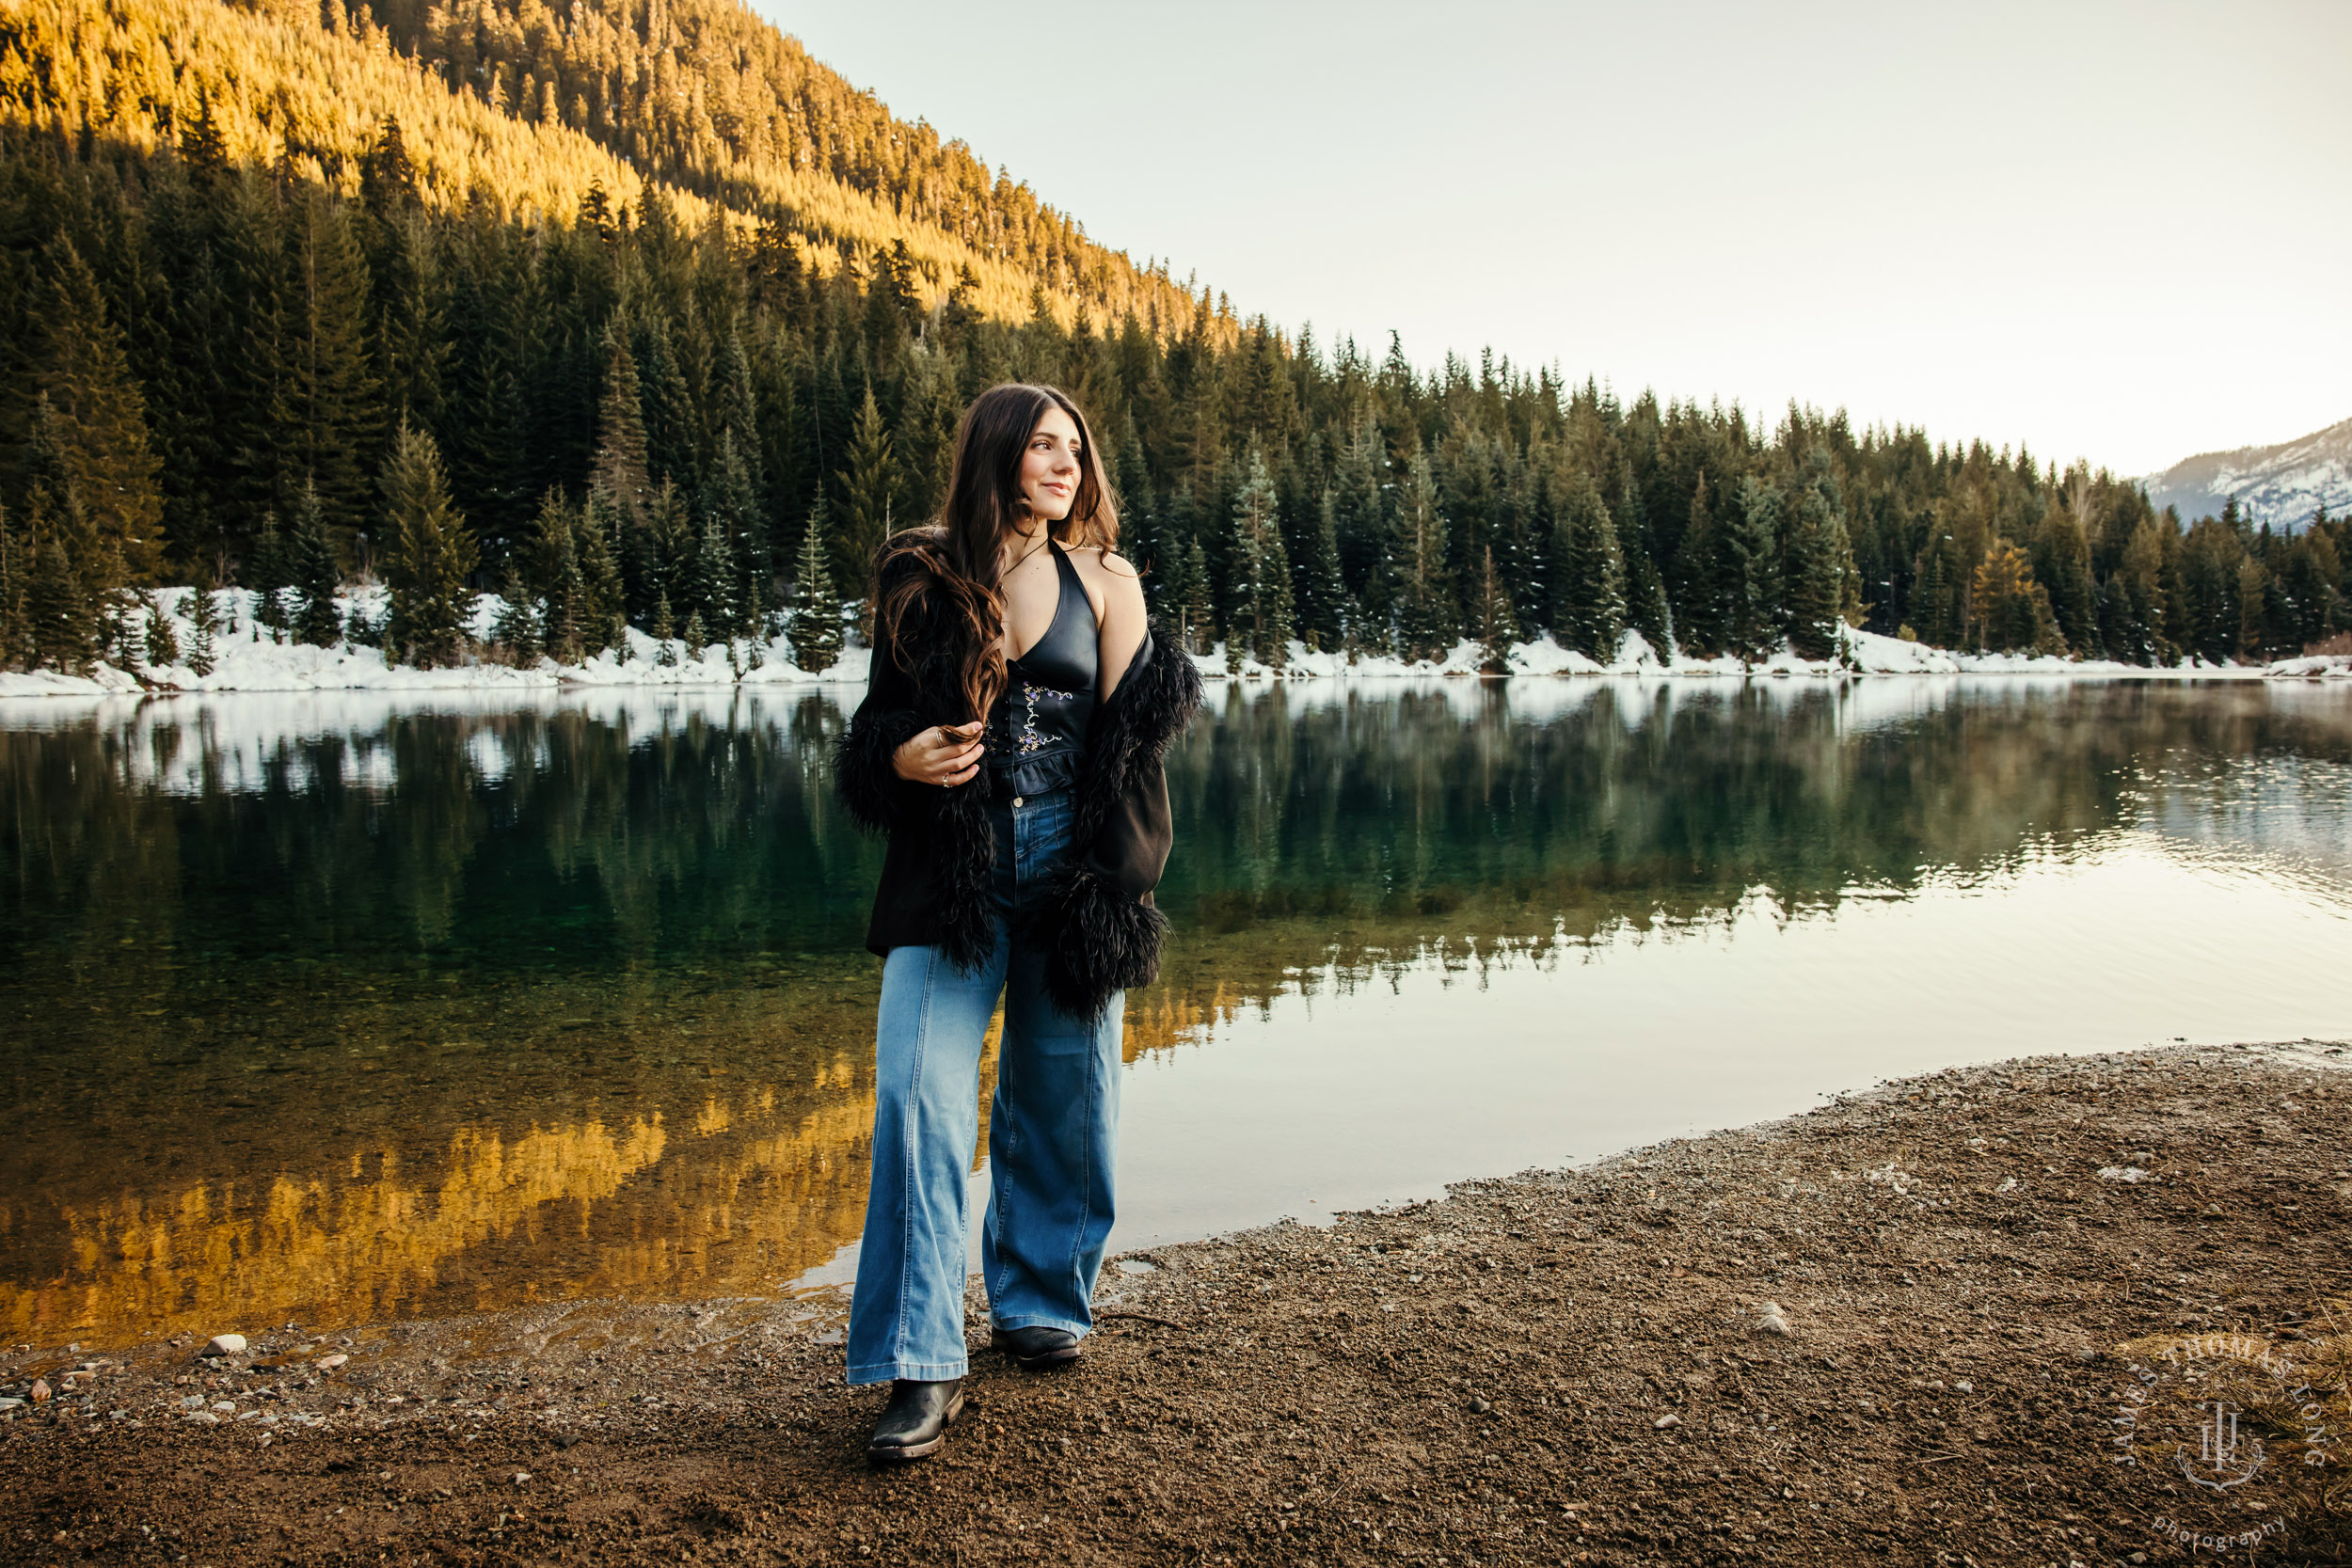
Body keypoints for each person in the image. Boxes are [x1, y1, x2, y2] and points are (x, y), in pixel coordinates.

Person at [833, 383, 1203, 1462]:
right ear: (996, 451)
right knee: (915, 1098)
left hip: (1068, 871)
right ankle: (920, 1363)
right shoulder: (923, 568)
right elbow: (875, 726)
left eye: (1076, 449)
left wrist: (1117, 888)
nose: (1065, 464)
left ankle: (1041, 1296)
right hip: (949, 874)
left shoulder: (1106, 579)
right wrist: (899, 756)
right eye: (1042, 444)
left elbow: (1133, 753)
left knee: (1067, 1094)